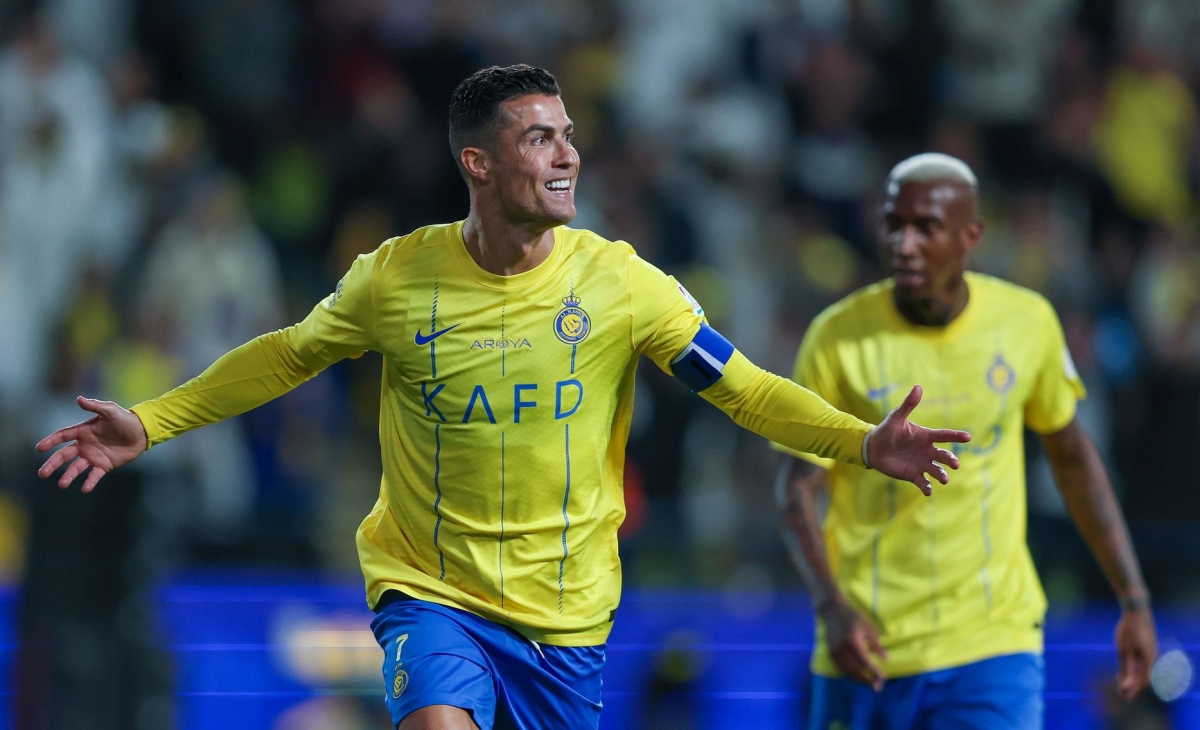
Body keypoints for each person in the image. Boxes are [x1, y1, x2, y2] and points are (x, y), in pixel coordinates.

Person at [36, 66, 969, 730]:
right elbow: (287, 357)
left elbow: (745, 390)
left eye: (569, 136)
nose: (569, 156)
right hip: (432, 592)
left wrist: (860, 442)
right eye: (540, 138)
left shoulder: (621, 284)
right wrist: (150, 422)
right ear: (478, 164)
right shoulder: (395, 279)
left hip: (567, 618)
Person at [774, 152, 1158, 729]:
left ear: (970, 236)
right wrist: (830, 605)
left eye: (925, 227)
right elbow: (796, 486)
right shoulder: (836, 339)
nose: (904, 244)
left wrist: (1133, 598)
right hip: (867, 642)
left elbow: (1073, 459)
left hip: (993, 645)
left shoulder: (1027, 323)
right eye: (893, 225)